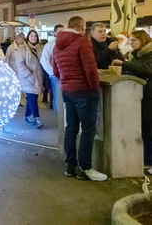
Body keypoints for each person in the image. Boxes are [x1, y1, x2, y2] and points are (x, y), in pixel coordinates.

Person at [53, 16, 107, 181]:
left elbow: (56, 72)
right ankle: (85, 168)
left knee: (71, 128)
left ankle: (70, 166)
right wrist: (94, 88)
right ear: (82, 28)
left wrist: (67, 80)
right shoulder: (82, 42)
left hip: (67, 91)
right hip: (84, 91)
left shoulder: (57, 45)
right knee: (88, 130)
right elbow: (91, 70)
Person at [112, 30, 152, 173]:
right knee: (144, 127)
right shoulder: (135, 55)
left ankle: (149, 161)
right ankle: (146, 159)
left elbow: (147, 70)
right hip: (140, 95)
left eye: (134, 40)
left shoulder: (149, 53)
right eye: (130, 40)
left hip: (149, 96)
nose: (131, 43)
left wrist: (125, 64)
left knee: (148, 128)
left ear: (143, 40)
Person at [15, 30, 44, 128]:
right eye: (31, 36)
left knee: (33, 97)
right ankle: (37, 117)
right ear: (28, 37)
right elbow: (20, 63)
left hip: (37, 76)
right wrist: (28, 74)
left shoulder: (39, 48)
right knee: (32, 96)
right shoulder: (23, 48)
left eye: (35, 36)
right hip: (27, 77)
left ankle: (28, 115)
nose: (33, 37)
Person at [40, 24, 65, 112]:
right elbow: (44, 60)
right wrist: (53, 73)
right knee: (57, 97)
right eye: (60, 32)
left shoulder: (68, 44)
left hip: (67, 75)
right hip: (56, 76)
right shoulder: (49, 45)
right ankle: (59, 120)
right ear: (54, 33)